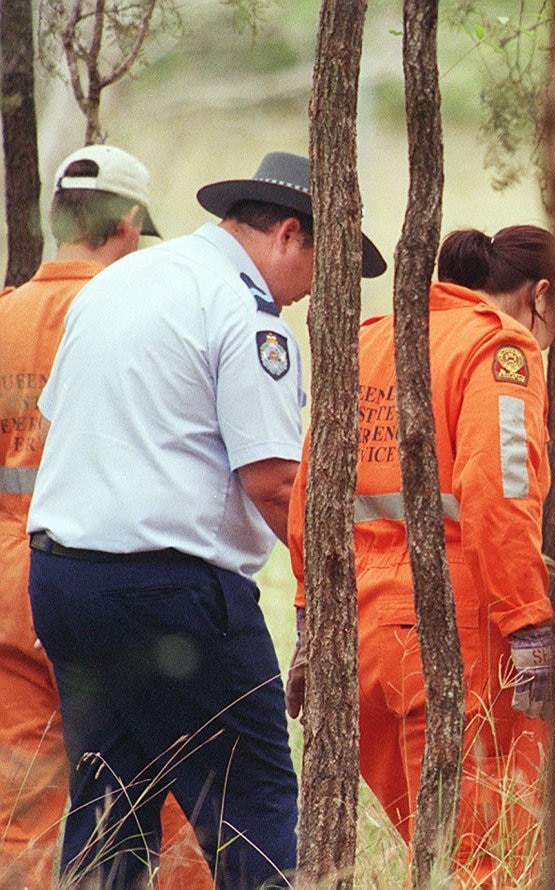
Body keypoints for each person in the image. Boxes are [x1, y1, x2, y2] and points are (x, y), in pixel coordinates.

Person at [25, 150, 386, 886]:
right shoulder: (247, 312)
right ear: (289, 234)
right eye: (324, 267)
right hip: (172, 596)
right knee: (253, 806)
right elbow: (278, 483)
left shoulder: (121, 283)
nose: (311, 294)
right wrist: (338, 595)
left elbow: (62, 419)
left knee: (108, 816)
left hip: (64, 581)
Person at [286, 225, 555, 884]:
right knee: (484, 862)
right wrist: (532, 625)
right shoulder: (501, 351)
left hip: (354, 641)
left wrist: (308, 623)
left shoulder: (370, 341)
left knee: (435, 854)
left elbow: (308, 498)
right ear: (543, 297)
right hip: (451, 637)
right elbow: (502, 494)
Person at [0, 145, 213, 888]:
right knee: (175, 789)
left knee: (19, 805)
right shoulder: (129, 319)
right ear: (127, 223)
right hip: (104, 582)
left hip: (8, 589)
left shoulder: (5, 317)